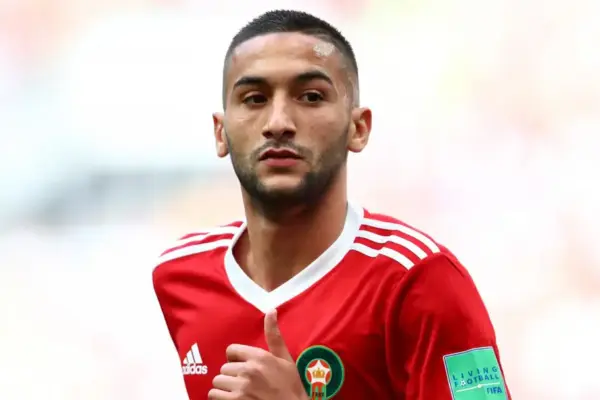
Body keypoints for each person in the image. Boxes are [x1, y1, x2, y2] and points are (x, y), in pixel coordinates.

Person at [153, 9, 511, 400]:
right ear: (221, 133)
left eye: (311, 97)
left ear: (358, 128)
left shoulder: (421, 280)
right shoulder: (180, 274)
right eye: (254, 99)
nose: (278, 122)